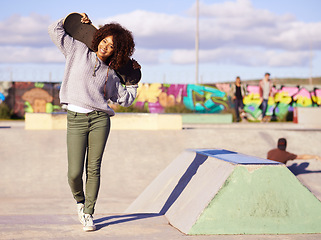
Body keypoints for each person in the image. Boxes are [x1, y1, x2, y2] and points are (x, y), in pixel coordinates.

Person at [48, 13, 139, 232]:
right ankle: (80, 201)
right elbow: (54, 30)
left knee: (94, 169)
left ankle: (89, 213)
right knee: (73, 173)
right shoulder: (77, 51)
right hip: (76, 119)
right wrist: (71, 18)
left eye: (112, 46)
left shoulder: (112, 72)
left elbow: (124, 99)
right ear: (98, 38)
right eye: (104, 41)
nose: (106, 47)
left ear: (116, 52)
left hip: (100, 120)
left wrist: (134, 82)